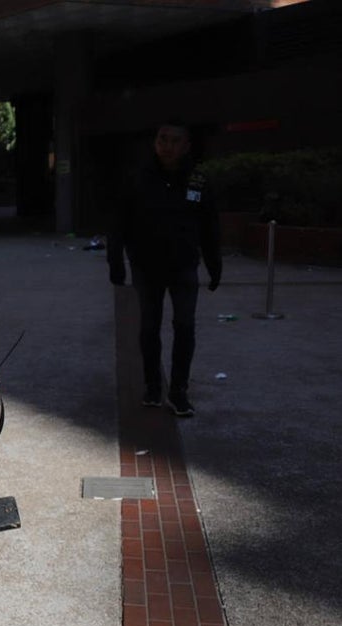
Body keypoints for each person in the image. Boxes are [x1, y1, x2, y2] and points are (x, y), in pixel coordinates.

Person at [108, 120, 221, 417]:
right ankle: (152, 386)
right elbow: (118, 223)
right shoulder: (137, 178)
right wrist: (115, 261)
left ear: (186, 146)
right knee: (149, 327)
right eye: (162, 139)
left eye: (174, 141)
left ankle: (178, 391)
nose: (167, 146)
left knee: (184, 326)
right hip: (146, 267)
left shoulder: (198, 181)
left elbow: (209, 227)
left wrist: (214, 265)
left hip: (184, 267)